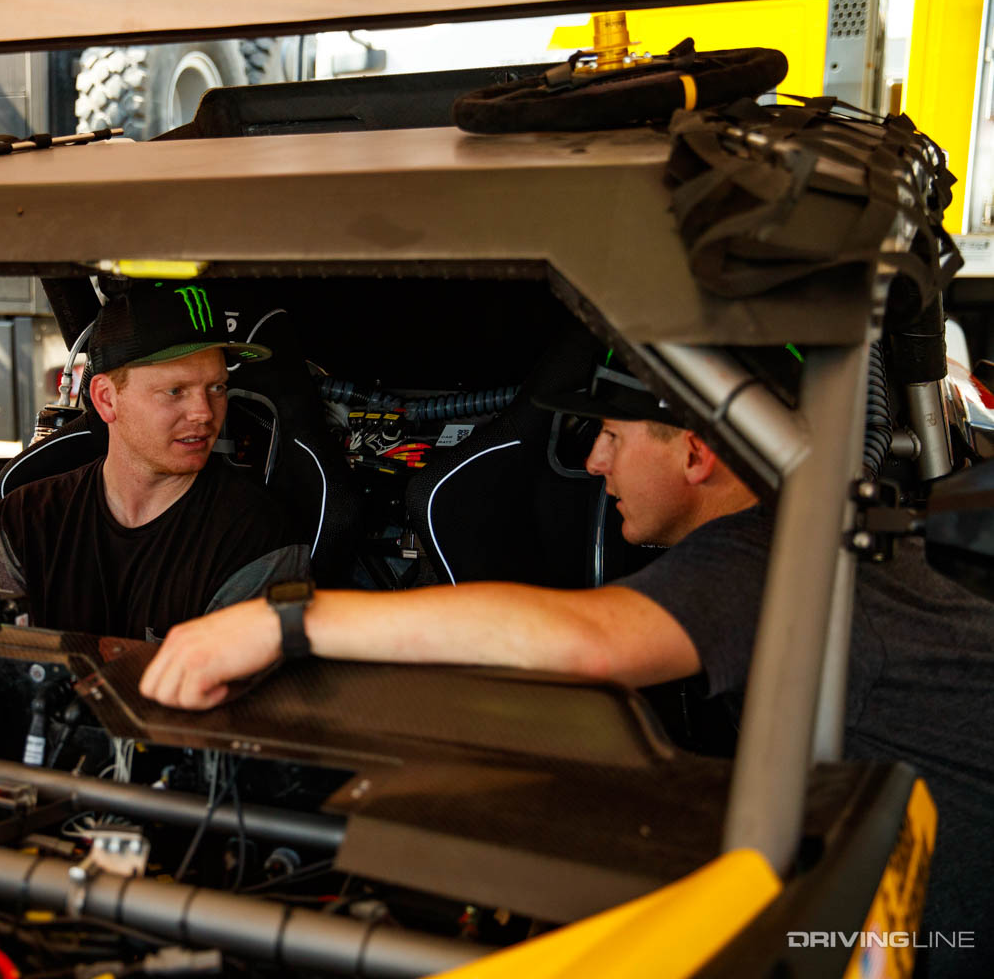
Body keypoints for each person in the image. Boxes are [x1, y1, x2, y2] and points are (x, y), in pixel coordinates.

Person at [140, 365, 993, 977]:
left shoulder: (760, 556)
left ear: (696, 454)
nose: (594, 464)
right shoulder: (796, 538)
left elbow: (592, 640)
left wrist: (286, 621)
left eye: (612, 439)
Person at [0, 283, 310, 640]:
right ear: (107, 399)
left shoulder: (257, 539)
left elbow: (222, 687)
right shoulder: (24, 521)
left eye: (216, 388)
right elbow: (3, 664)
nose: (205, 413)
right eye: (175, 391)